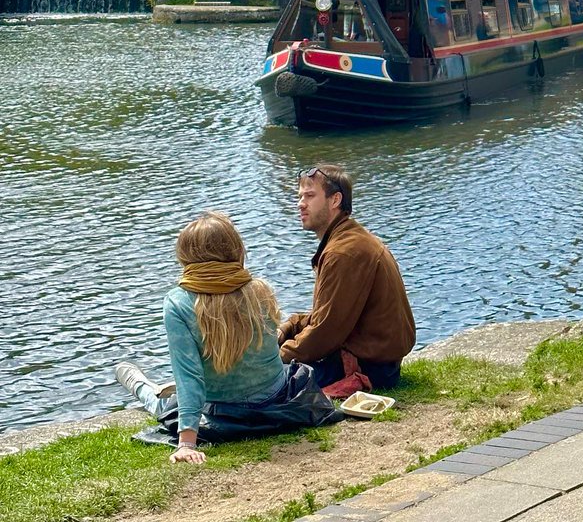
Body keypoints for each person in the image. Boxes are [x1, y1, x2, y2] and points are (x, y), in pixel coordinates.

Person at [115, 212, 339, 461]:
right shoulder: (259, 290)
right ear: (235, 250)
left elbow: (190, 377)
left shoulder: (177, 302)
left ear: (186, 255)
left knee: (165, 407)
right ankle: (156, 388)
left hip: (222, 408)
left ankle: (141, 387)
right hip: (276, 400)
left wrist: (186, 443)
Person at [279, 165, 416, 388]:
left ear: (335, 200)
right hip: (377, 362)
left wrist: (277, 358)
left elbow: (324, 332)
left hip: (368, 368)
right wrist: (288, 328)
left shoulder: (343, 253)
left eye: (310, 196)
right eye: (300, 196)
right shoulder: (348, 240)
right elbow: (328, 316)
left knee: (268, 383)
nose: (300, 204)